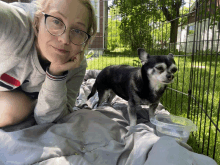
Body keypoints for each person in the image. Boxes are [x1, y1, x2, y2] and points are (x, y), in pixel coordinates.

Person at [0, 0, 97, 127]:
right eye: (56, 21)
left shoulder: (75, 66)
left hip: (11, 103)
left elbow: (48, 119)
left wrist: (56, 74)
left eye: (77, 31)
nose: (65, 39)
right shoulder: (14, 26)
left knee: (17, 108)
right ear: (37, 21)